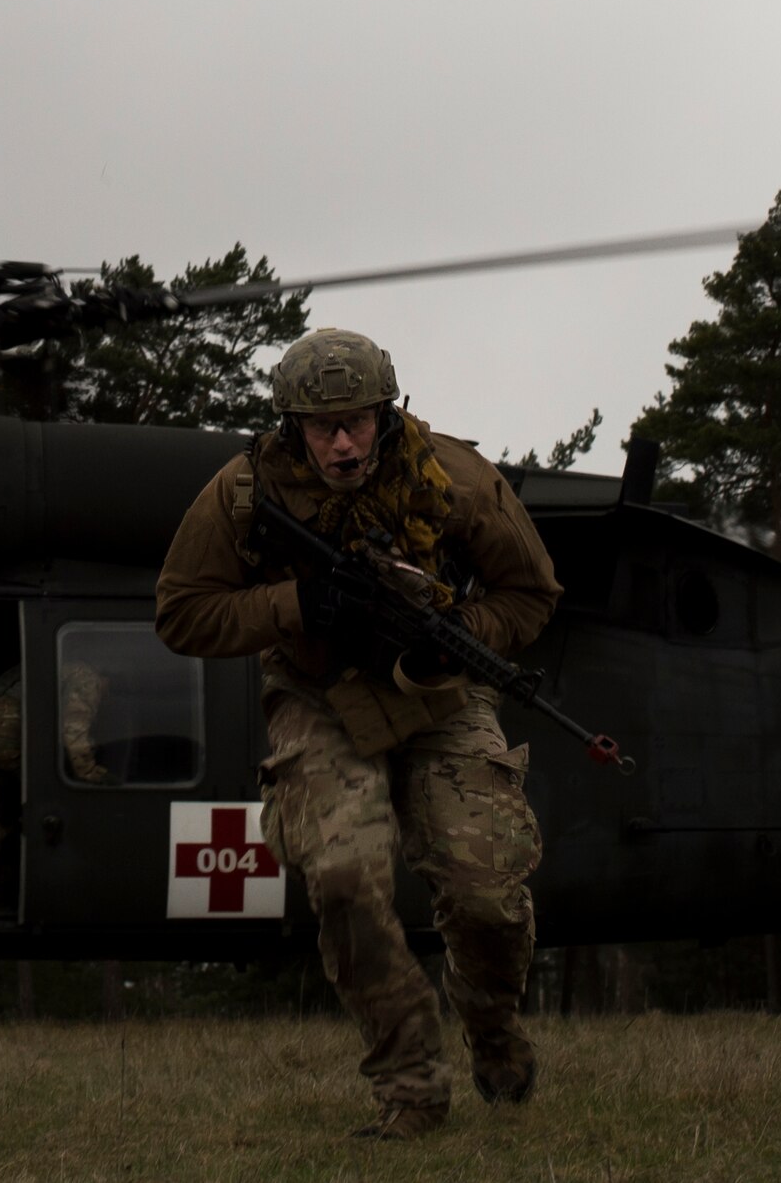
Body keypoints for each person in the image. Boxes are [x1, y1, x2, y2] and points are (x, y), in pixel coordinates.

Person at [155, 328, 561, 1141]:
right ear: (290, 427)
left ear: (385, 412)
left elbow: (531, 594)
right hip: (320, 695)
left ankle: (492, 1026)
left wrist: (452, 626)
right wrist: (297, 605)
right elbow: (182, 612)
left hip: (438, 694)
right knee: (342, 875)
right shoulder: (242, 493)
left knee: (487, 894)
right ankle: (411, 1085)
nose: (342, 442)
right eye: (320, 426)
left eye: (357, 423)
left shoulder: (454, 478)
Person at [0, 661, 110, 905]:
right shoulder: (88, 676)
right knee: (48, 807)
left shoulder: (38, 667)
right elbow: (74, 732)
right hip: (8, 732)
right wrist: (91, 773)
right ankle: (53, 892)